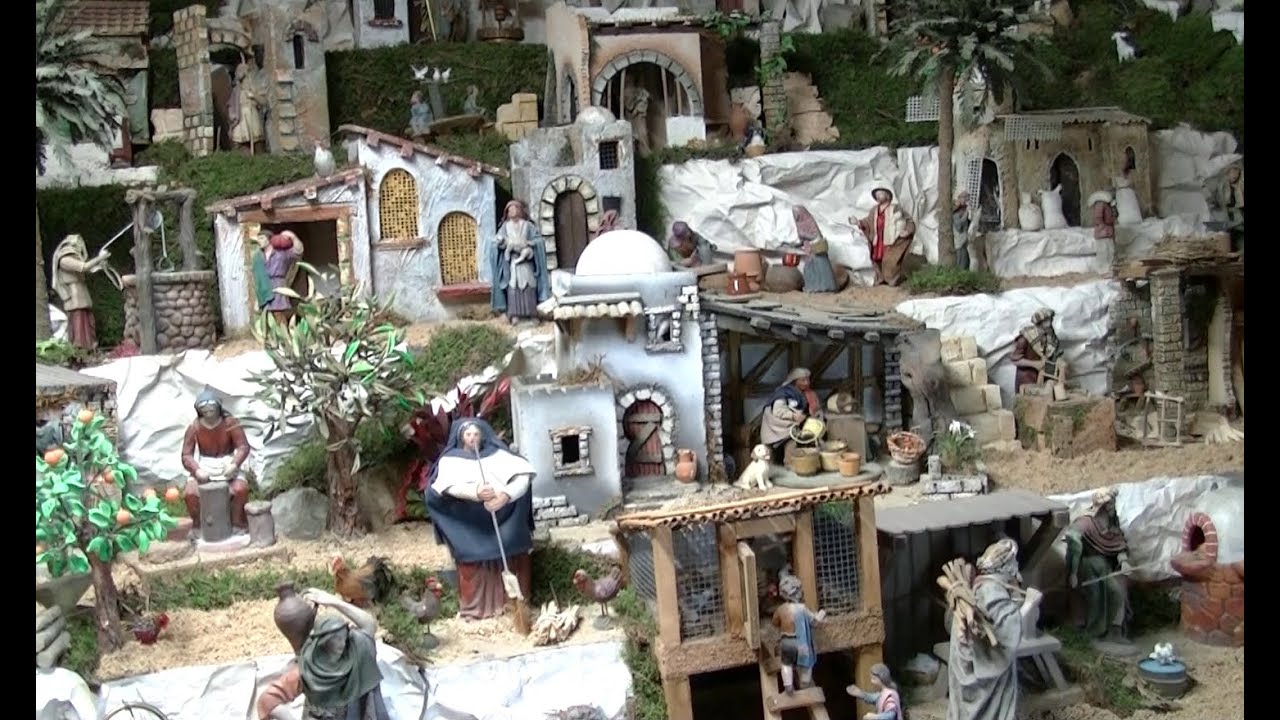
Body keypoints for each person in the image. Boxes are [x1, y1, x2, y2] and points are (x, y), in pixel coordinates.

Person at [425, 418, 536, 620]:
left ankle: (512, 605)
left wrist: (505, 495)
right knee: (472, 558)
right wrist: (475, 492)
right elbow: (442, 488)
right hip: (470, 525)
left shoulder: (500, 455)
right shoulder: (450, 461)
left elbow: (524, 476)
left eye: (476, 434)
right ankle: (475, 609)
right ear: (461, 437)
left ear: (483, 435)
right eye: (468, 435)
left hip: (504, 520)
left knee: (513, 554)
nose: (472, 438)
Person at [255, 587, 391, 720]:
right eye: (334, 641)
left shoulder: (357, 652)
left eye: (343, 637)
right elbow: (269, 699)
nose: (341, 644)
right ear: (323, 643)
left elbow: (368, 624)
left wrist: (333, 601)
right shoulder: (308, 669)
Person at [945, 539, 1025, 720]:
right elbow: (1007, 631)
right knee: (992, 709)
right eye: (1015, 563)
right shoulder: (993, 592)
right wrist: (1020, 609)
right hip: (985, 660)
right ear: (1007, 565)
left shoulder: (976, 586)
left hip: (967, 659)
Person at [1064, 487, 1135, 653]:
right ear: (1100, 505)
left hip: (1105, 567)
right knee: (1095, 598)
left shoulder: (1112, 522)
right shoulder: (1086, 522)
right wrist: (1073, 573)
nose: (1111, 507)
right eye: (1108, 504)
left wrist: (1123, 561)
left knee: (1117, 593)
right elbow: (1074, 545)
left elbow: (1118, 545)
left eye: (1112, 503)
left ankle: (1114, 632)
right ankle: (1094, 632)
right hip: (1088, 568)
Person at [181, 390, 251, 533]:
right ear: (199, 411)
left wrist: (234, 463)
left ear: (218, 407)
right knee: (191, 493)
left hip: (227, 463)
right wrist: (197, 470)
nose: (208, 412)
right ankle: (199, 526)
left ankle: (238, 524)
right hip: (205, 465)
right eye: (204, 410)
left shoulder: (230, 423)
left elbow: (243, 446)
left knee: (240, 489)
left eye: (211, 408)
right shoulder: (194, 427)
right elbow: (186, 455)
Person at [490, 200, 550, 325]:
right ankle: (514, 315)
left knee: (529, 286)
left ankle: (532, 314)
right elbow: (495, 243)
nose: (513, 211)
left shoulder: (528, 225)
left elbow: (538, 240)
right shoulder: (505, 227)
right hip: (512, 264)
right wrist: (501, 244)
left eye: (516, 208)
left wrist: (529, 244)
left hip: (527, 263)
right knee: (513, 287)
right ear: (507, 212)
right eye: (510, 209)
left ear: (520, 210)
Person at [51, 234, 111, 350]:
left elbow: (88, 269)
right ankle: (80, 350)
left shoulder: (73, 258)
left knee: (88, 322)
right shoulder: (64, 258)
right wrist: (99, 258)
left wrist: (100, 264)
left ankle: (90, 347)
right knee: (79, 323)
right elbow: (83, 267)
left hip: (80, 292)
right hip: (74, 295)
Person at [771, 567, 826, 694]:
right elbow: (814, 622)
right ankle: (804, 683)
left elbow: (774, 623)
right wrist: (821, 613)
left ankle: (788, 685)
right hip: (801, 645)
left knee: (786, 664)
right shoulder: (802, 609)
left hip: (786, 642)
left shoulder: (781, 609)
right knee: (805, 665)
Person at [855, 187, 916, 286]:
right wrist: (859, 222)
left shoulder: (895, 208)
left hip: (891, 239)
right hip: (878, 240)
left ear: (887, 195)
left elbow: (909, 220)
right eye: (877, 195)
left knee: (890, 260)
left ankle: (892, 279)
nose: (878, 196)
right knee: (877, 259)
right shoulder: (874, 210)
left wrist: (907, 230)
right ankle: (880, 278)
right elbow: (867, 222)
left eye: (881, 194)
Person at [759, 367, 818, 464]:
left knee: (797, 436)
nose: (806, 383)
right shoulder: (784, 392)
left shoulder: (801, 393)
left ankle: (792, 460)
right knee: (790, 436)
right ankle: (783, 462)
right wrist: (793, 416)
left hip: (789, 421)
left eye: (807, 379)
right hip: (776, 423)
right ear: (795, 381)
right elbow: (778, 411)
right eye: (803, 380)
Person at [1011, 308, 1066, 396]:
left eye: (1051, 319)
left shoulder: (1052, 338)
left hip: (1045, 375)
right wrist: (1035, 364)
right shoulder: (1025, 339)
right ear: (1040, 322)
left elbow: (1053, 355)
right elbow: (1016, 360)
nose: (1050, 322)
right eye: (1047, 320)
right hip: (1027, 377)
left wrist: (1058, 360)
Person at [253, 231, 304, 324]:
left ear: (269, 240)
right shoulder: (258, 256)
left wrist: (293, 237)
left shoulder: (281, 254)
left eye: (262, 238)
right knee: (266, 315)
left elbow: (298, 251)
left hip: (278, 285)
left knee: (279, 313)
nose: (259, 241)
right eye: (258, 238)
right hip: (263, 287)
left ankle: (284, 335)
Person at [793, 206, 837, 293]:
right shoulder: (799, 224)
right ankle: (812, 287)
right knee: (809, 269)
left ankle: (825, 287)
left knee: (820, 269)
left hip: (815, 249)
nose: (796, 216)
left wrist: (804, 235)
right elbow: (802, 239)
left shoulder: (809, 221)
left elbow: (817, 236)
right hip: (807, 250)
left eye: (796, 214)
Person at [953, 192, 973, 271]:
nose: (967, 201)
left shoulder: (964, 211)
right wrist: (966, 213)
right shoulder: (956, 212)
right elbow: (959, 226)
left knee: (966, 262)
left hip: (964, 243)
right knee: (962, 263)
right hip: (959, 243)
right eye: (965, 199)